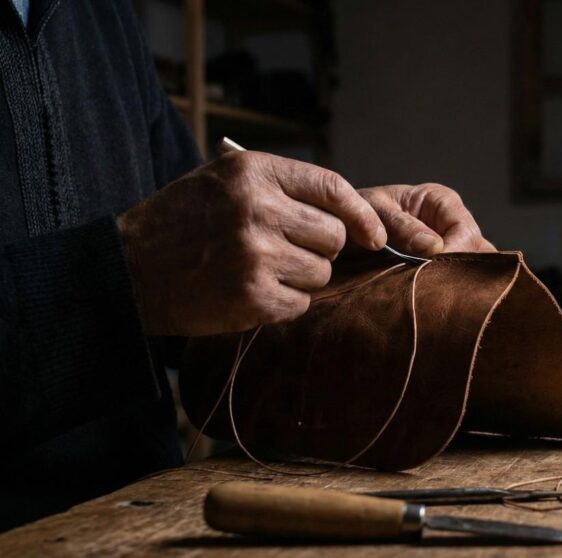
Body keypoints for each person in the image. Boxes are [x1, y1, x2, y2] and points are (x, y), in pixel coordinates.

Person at [0, 0, 493, 530]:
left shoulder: (102, 13)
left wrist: (338, 257)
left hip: (145, 519)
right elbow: (148, 271)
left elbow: (198, 285)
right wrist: (122, 275)